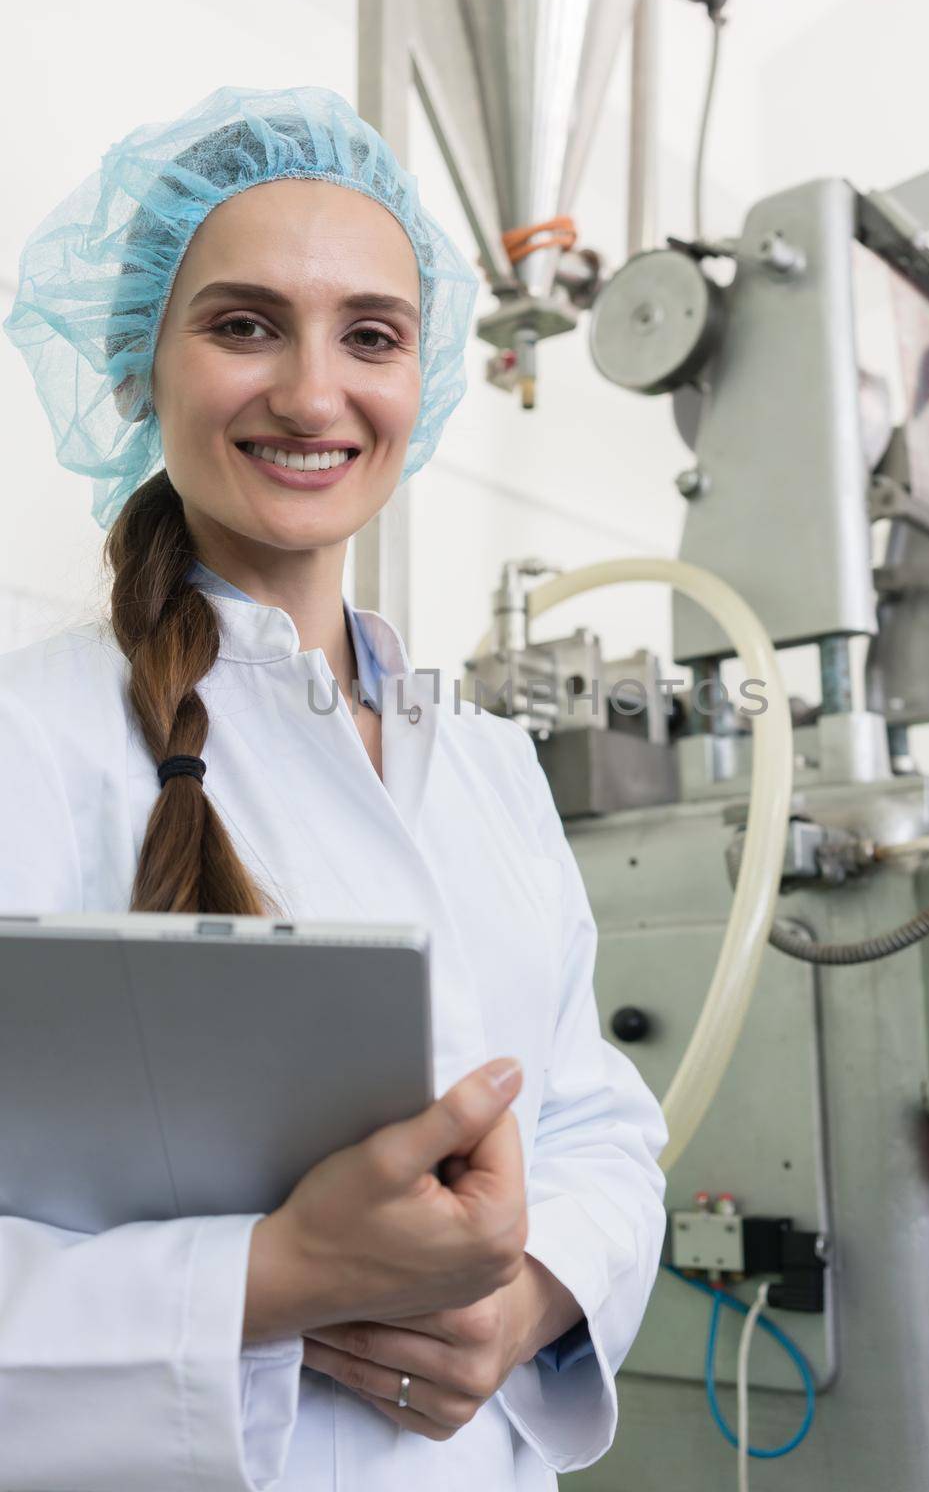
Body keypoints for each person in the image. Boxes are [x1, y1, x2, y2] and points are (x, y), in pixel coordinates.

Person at [0, 86, 668, 1490]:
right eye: (244, 324)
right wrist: (271, 1276)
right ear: (141, 368)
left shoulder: (485, 763)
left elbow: (596, 1120)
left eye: (371, 335)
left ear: (421, 384)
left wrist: (526, 1302)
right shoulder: (30, 741)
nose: (312, 395)